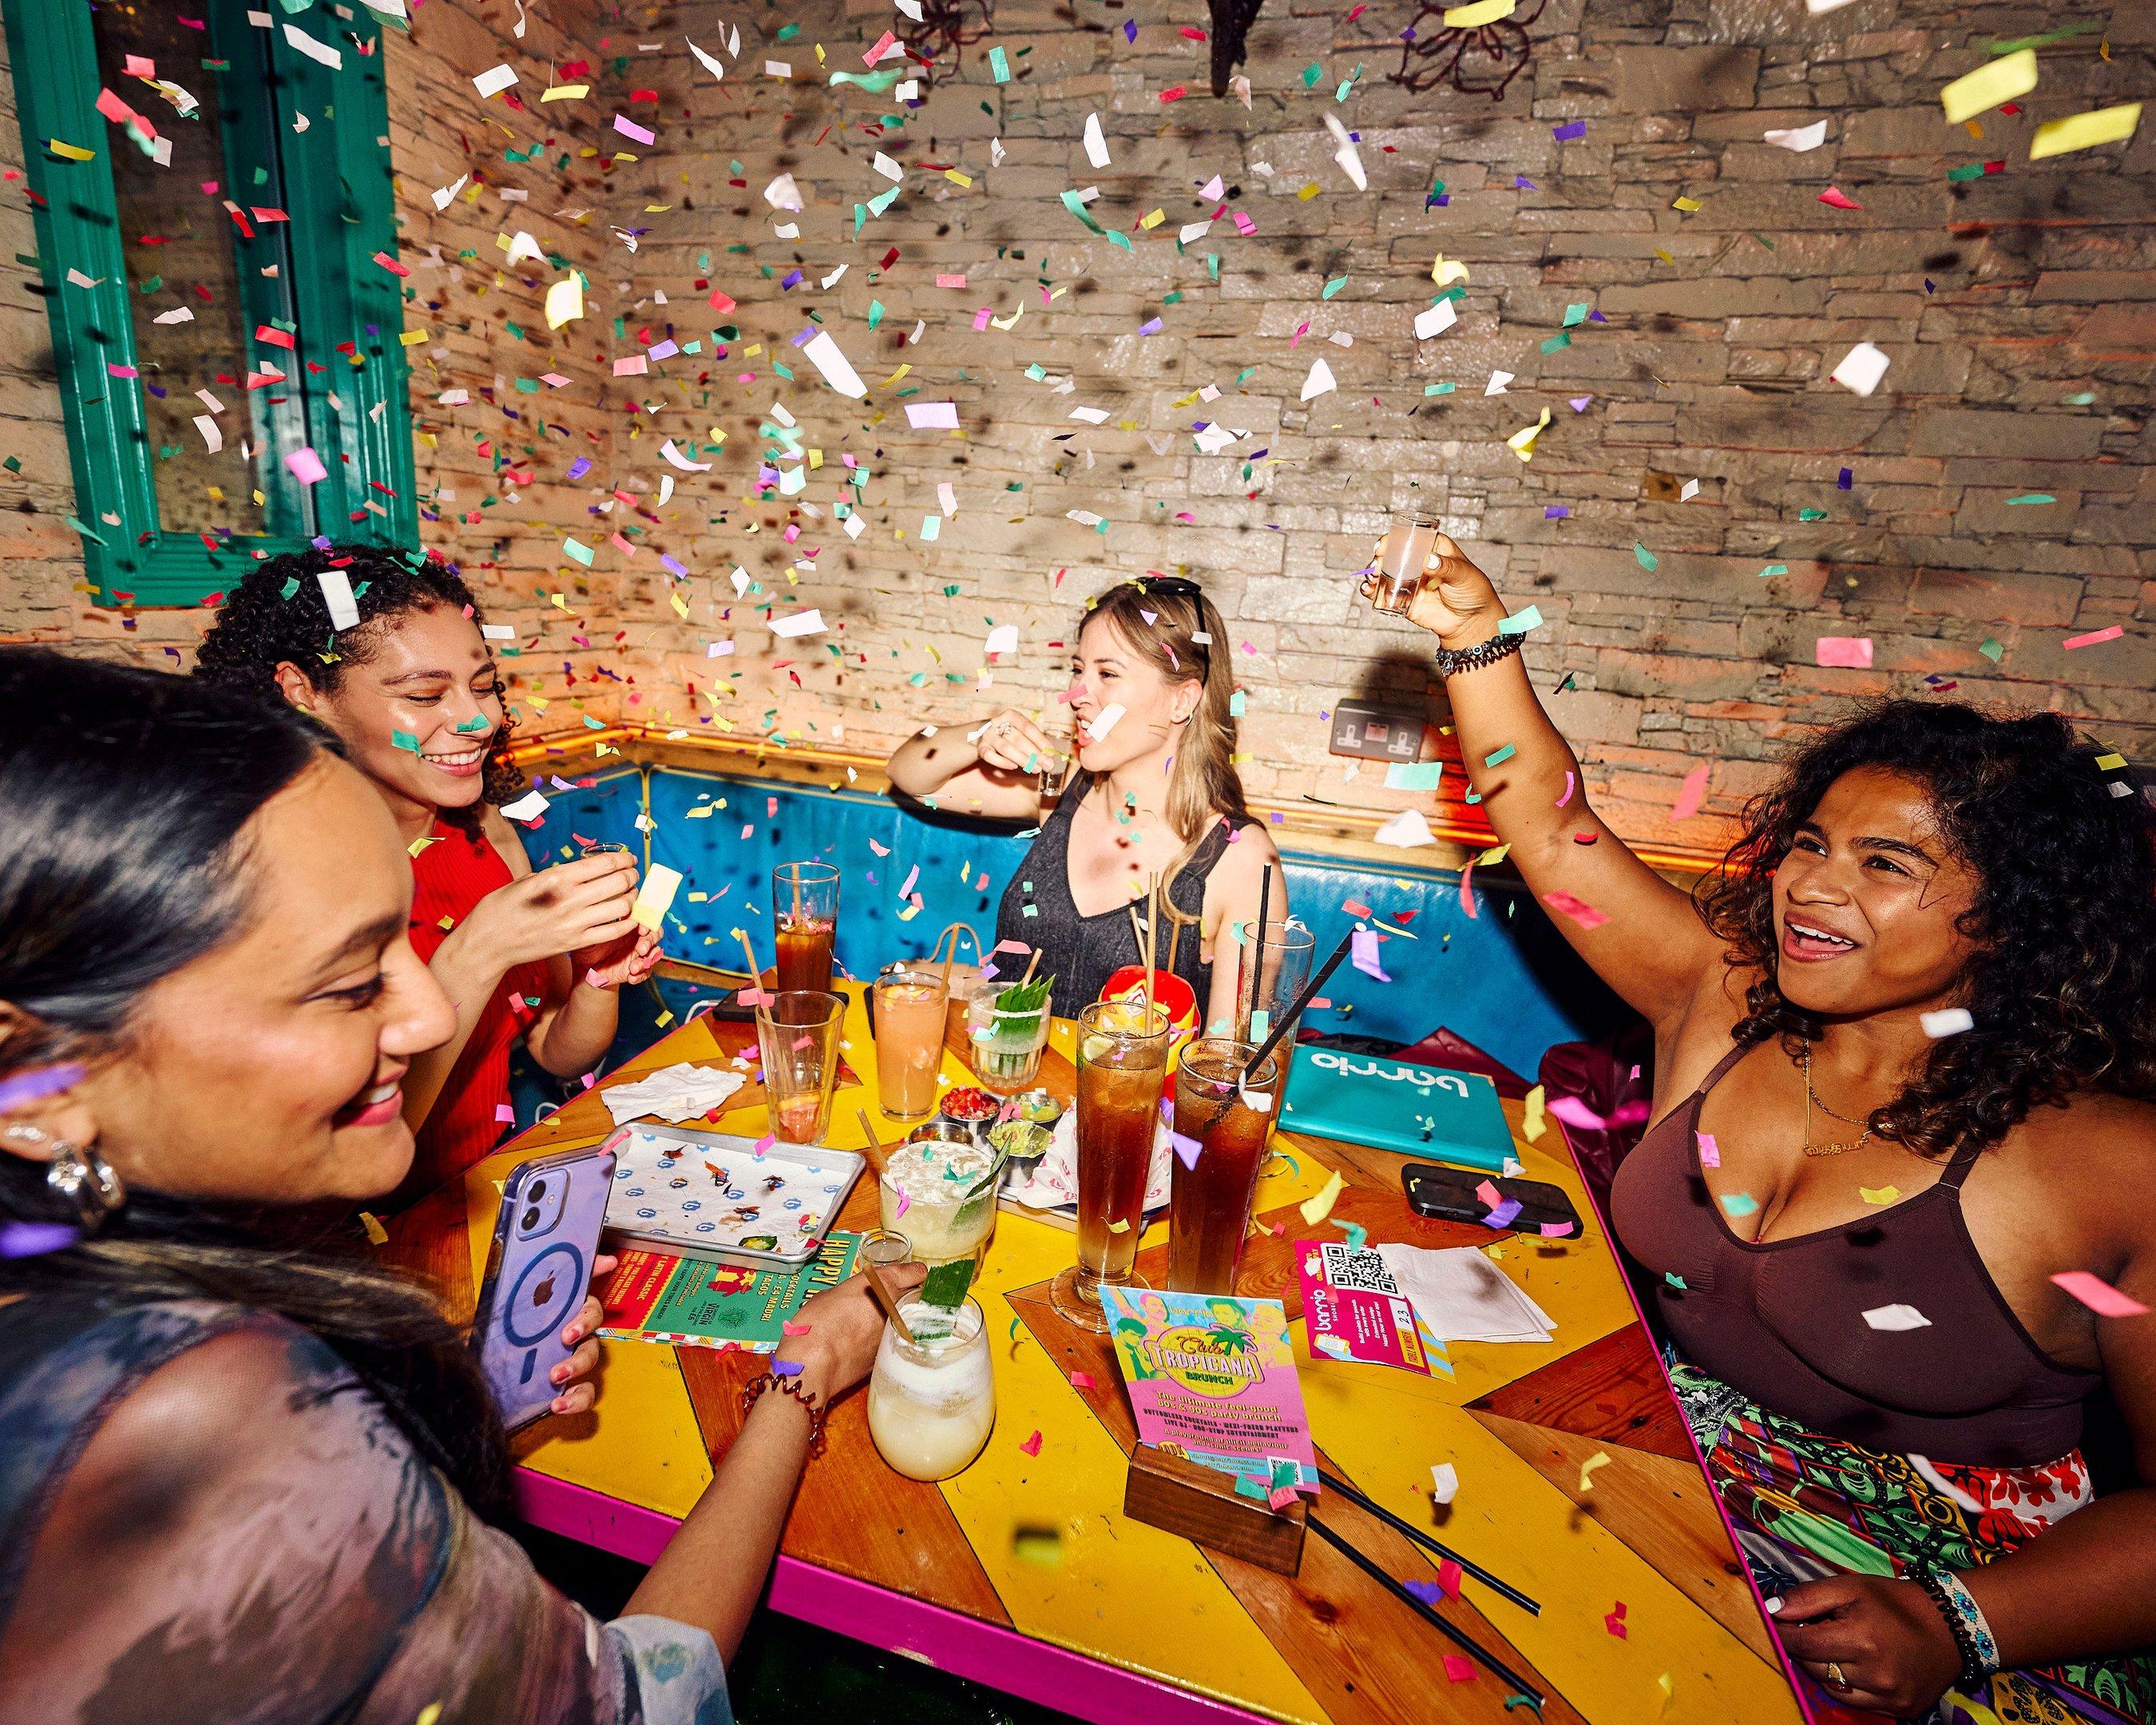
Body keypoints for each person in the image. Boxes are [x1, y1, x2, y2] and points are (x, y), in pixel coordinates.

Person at [0, 651, 924, 1723]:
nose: (433, 1018)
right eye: (350, 986)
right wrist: (801, 1379)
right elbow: (636, 1704)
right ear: (32, 1079)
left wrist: (466, 1402)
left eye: (405, 941)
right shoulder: (200, 1415)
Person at [1367, 536, 2156, 1724]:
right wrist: (1471, 633)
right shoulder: (1718, 993)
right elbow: (1543, 816)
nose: (1813, 886)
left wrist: (1958, 1622)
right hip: (1650, 1491)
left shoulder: (2103, 1168)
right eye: (1809, 843)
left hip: (1944, 1600)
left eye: (1885, 863)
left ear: (2013, 917)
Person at [195, 545, 659, 1191]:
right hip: (353, 1230)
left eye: (484, 685)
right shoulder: (260, 876)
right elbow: (340, 1149)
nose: (476, 720)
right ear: (304, 692)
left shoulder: (484, 831)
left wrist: (597, 982)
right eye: (424, 692)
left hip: (479, 1196)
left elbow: (555, 1049)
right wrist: (478, 948)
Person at [885, 575, 1282, 1035]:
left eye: (1107, 674)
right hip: (1007, 1086)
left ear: (1182, 699)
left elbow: (1228, 1064)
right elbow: (910, 774)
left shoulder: (1240, 857)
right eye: (1078, 671)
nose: (1077, 696)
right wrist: (980, 734)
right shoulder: (1061, 787)